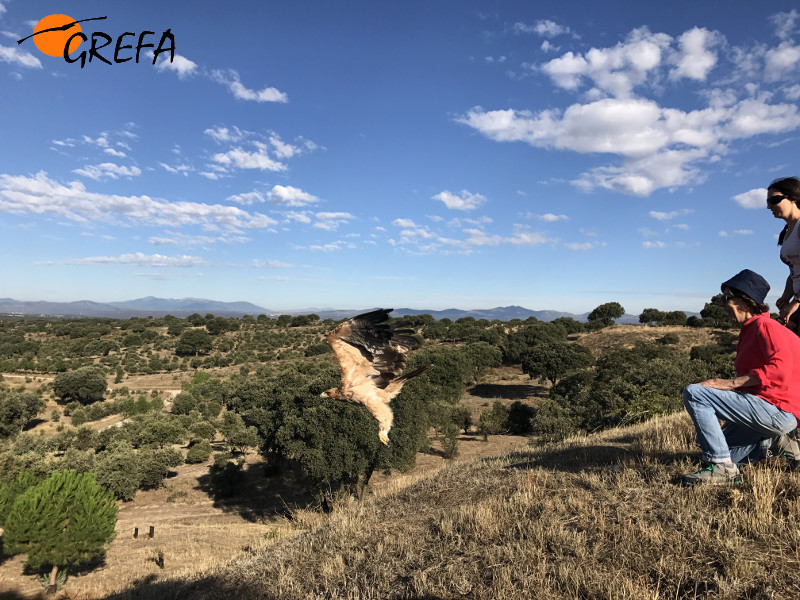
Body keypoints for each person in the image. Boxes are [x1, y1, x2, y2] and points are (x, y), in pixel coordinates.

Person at [682, 269, 800, 485]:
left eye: (727, 297)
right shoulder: (754, 329)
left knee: (695, 393)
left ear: (745, 303)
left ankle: (722, 469)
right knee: (722, 451)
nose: (722, 304)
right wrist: (734, 413)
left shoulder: (765, 326)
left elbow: (779, 369)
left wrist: (728, 384)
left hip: (777, 410)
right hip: (772, 410)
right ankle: (769, 444)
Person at [769, 177, 800, 331]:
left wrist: (797, 302)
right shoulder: (787, 232)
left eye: (774, 200)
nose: (769, 206)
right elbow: (794, 271)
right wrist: (786, 297)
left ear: (793, 198)